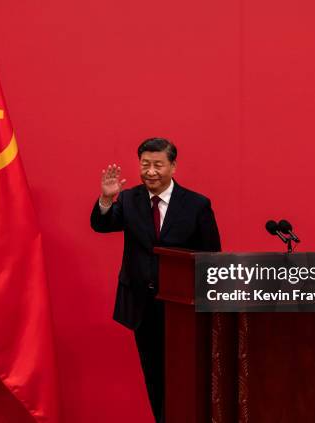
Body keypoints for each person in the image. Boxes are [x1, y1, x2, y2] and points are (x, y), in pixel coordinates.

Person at [90, 137, 221, 422]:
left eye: (158, 165)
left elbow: (212, 255)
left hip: (183, 308)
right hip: (142, 306)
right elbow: (102, 225)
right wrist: (106, 199)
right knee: (154, 375)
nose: (150, 171)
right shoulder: (129, 199)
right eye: (145, 164)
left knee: (182, 375)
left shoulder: (196, 204)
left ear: (173, 166)